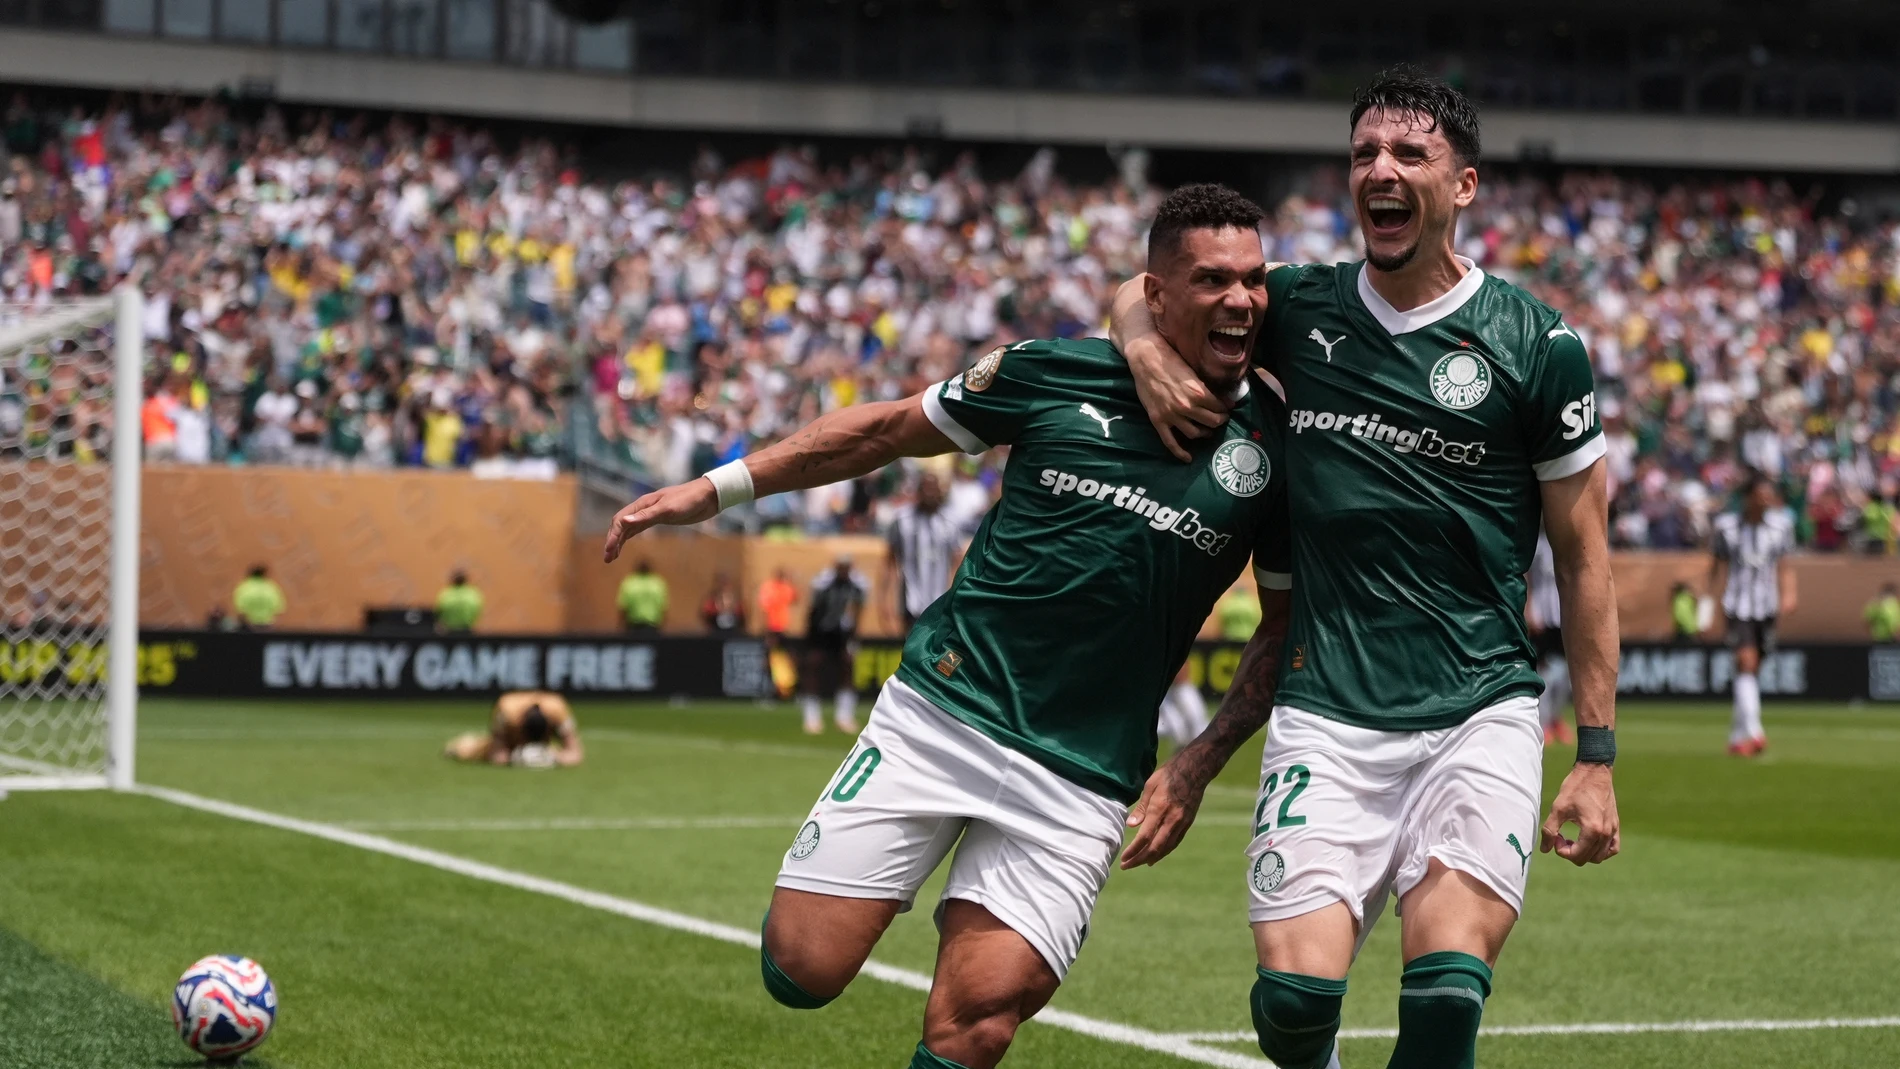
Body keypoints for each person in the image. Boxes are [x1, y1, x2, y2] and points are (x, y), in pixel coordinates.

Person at [600, 184, 1293, 1069]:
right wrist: (717, 486)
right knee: (801, 966)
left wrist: (1197, 764)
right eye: (1210, 280)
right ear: (1154, 294)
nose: (1239, 300)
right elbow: (885, 431)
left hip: (1081, 777)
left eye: (1252, 281)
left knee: (979, 1022)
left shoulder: (1275, 449)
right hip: (942, 714)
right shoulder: (1052, 372)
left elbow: (1280, 626)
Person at [1111, 71, 1619, 1069]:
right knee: (1291, 1006)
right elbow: (1148, 285)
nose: (1377, 172)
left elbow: (1585, 556)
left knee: (1440, 1004)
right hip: (1327, 712)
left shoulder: (1537, 344)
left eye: (1407, 155)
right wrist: (1141, 348)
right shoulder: (1297, 306)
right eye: (1361, 157)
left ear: (1462, 185)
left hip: (1477, 709)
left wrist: (1595, 755)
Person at [1708, 472, 1796, 757]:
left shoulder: (1782, 527)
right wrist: (1708, 607)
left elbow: (1785, 565)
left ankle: (1736, 738)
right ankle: (1756, 733)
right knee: (1746, 661)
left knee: (1752, 670)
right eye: (1761, 496)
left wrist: (1790, 594)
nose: (1767, 501)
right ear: (1748, 498)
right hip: (1737, 605)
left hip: (1766, 606)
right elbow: (1716, 568)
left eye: (1769, 496)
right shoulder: (1727, 528)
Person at [885, 471, 964, 632]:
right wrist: (885, 602)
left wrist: (955, 596)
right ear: (918, 491)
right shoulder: (902, 520)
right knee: (910, 649)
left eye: (933, 488)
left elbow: (958, 562)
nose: (930, 493)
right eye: (925, 488)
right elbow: (889, 562)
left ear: (940, 491)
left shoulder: (950, 521)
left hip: (940, 600)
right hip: (910, 600)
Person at [802, 555, 870, 735]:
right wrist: (810, 637)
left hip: (842, 632)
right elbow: (813, 610)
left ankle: (845, 716)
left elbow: (858, 610)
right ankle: (811, 716)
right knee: (814, 668)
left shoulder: (858, 583)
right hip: (821, 630)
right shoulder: (823, 582)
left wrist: (854, 637)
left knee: (847, 668)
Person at [444, 691, 584, 768]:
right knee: (472, 750)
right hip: (508, 742)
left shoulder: (557, 708)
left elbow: (575, 753)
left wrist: (554, 758)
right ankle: (463, 744)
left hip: (542, 746)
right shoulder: (506, 710)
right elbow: (497, 754)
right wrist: (516, 759)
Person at [1527, 531, 1573, 744]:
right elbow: (1526, 574)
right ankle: (1543, 722)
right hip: (1542, 616)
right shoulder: (1536, 543)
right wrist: (1528, 609)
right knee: (1543, 672)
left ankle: (1555, 719)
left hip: (1562, 616)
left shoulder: (1565, 538)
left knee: (1565, 674)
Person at [616, 560, 668, 633]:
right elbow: (663, 608)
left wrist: (620, 628)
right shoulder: (657, 584)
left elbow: (623, 607)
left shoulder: (629, 583)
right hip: (652, 627)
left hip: (633, 628)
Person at [232, 565, 286, 630]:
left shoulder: (243, 587)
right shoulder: (271, 587)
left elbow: (240, 610)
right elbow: (279, 608)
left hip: (249, 626)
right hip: (268, 625)